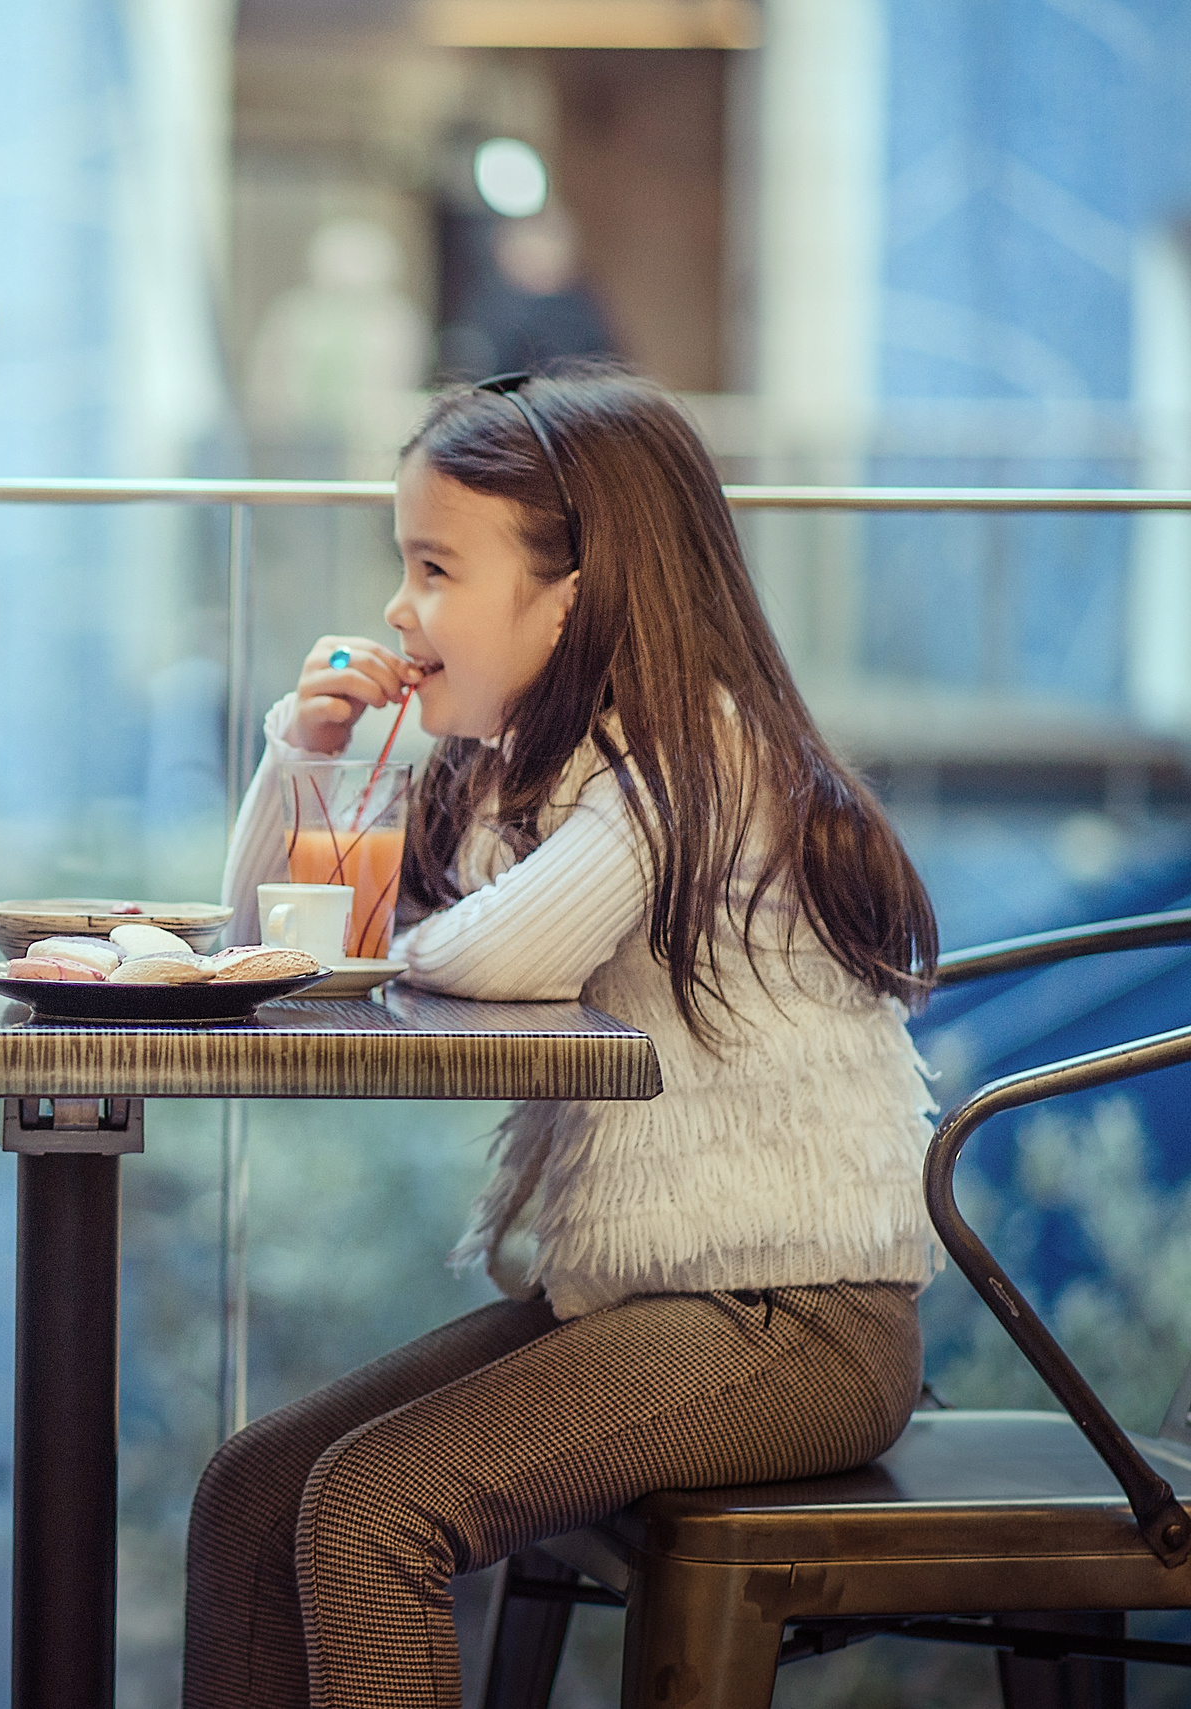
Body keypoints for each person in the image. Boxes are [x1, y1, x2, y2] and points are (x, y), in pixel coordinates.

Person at [189, 364, 940, 1707]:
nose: (395, 607)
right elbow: (265, 935)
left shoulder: (695, 762)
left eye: (433, 566)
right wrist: (305, 751)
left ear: (574, 591)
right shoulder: (529, 770)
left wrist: (383, 945)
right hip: (648, 1297)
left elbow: (490, 953)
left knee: (372, 1508)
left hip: (798, 1320)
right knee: (257, 1491)